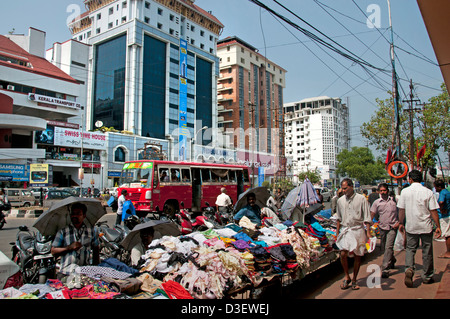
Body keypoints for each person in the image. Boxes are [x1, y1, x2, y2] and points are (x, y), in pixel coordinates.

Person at [397, 170, 441, 287]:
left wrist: (401, 223)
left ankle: (409, 268)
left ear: (410, 179)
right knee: (427, 251)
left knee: (410, 249)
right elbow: (433, 211)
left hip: (411, 226)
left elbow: (401, 210)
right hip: (426, 226)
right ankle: (427, 276)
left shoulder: (405, 192)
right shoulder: (428, 192)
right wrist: (438, 226)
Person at [335, 178, 372, 290]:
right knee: (342, 254)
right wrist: (337, 233)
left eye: (345, 188)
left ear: (351, 187)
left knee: (358, 255)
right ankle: (347, 276)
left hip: (358, 230)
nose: (343, 190)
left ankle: (355, 279)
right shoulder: (340, 201)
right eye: (342, 188)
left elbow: (367, 217)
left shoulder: (361, 199)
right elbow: (338, 218)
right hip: (346, 230)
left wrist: (368, 233)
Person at [51, 203, 99, 277]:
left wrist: (95, 268)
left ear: (84, 216)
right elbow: (53, 251)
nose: (74, 216)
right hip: (66, 272)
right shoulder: (63, 231)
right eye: (73, 213)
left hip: (85, 272)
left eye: (78, 213)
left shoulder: (91, 230)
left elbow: (96, 249)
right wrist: (69, 247)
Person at [370, 183, 399, 278]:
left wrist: (399, 222)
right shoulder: (377, 202)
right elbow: (372, 214)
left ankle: (385, 269)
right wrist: (369, 225)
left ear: (387, 191)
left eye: (384, 190)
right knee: (384, 247)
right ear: (379, 192)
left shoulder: (395, 200)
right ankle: (392, 259)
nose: (383, 192)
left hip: (393, 227)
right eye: (381, 191)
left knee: (388, 247)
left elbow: (401, 212)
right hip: (382, 228)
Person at [433, 179, 450, 259]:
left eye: (436, 187)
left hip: (445, 216)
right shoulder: (447, 192)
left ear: (439, 187)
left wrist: (441, 209)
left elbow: (441, 202)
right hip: (447, 215)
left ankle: (448, 252)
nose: (435, 189)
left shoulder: (442, 193)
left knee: (447, 235)